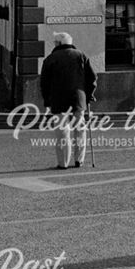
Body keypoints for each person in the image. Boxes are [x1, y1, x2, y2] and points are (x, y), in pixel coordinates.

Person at [40, 32, 97, 169]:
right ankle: (79, 160)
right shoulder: (81, 55)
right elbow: (92, 78)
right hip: (78, 98)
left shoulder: (50, 59)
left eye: (55, 42)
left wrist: (47, 100)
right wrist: (89, 95)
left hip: (58, 99)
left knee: (62, 132)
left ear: (59, 43)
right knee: (80, 129)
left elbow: (44, 83)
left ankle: (63, 162)